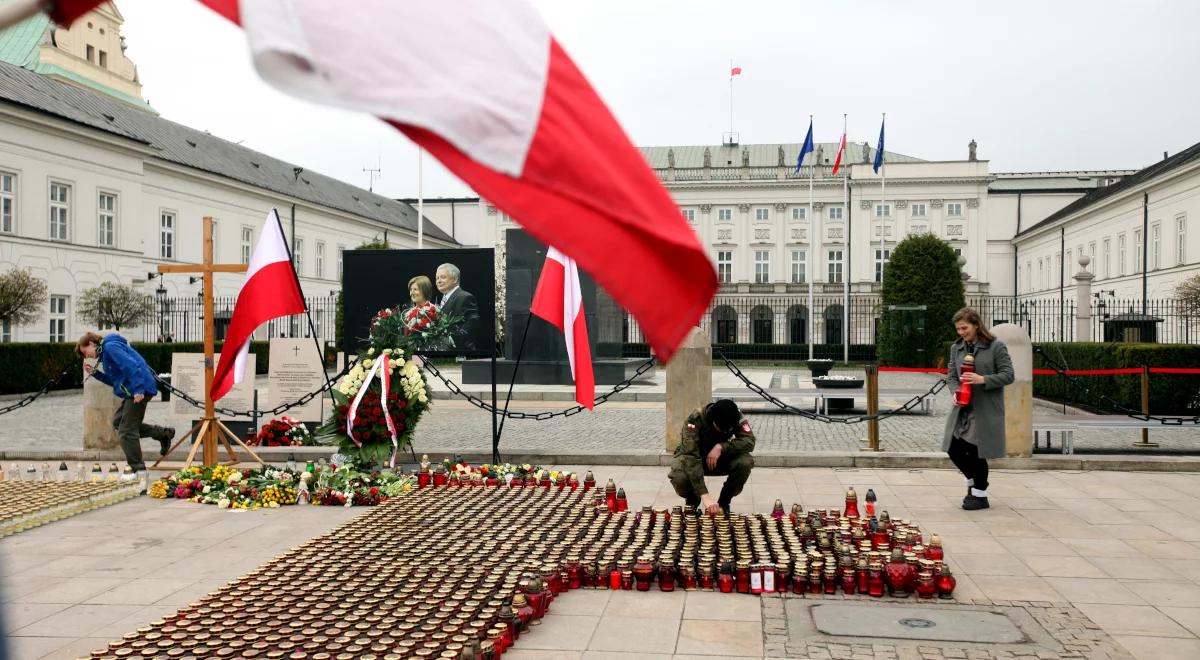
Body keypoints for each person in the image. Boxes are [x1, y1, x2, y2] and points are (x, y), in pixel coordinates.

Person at [77, 332, 175, 481]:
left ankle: (138, 469)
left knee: (126, 431)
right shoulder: (107, 352)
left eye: (85, 352)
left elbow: (131, 366)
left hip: (139, 390)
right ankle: (164, 434)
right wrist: (95, 373)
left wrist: (139, 390)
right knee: (118, 422)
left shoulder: (110, 347)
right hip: (133, 391)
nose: (87, 356)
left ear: (91, 343)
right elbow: (115, 381)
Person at [943, 307, 1014, 511]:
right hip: (962, 407)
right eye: (958, 329)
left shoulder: (995, 347)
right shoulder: (956, 348)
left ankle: (979, 494)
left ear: (976, 324)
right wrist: (956, 392)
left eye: (964, 328)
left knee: (975, 451)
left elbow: (1009, 375)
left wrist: (982, 379)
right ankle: (975, 484)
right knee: (953, 449)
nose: (961, 332)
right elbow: (952, 377)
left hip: (985, 408)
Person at [669, 399, 755, 515]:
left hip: (719, 458)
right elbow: (690, 456)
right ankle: (693, 500)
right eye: (722, 430)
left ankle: (724, 503)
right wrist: (703, 493)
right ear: (712, 420)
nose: (725, 432)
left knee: (745, 462)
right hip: (696, 457)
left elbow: (749, 441)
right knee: (679, 475)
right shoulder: (695, 420)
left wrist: (722, 447)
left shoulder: (734, 415)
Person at [435, 262, 479, 350]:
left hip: (460, 352)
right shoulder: (441, 300)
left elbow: (471, 324)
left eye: (443, 277)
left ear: (455, 279)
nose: (438, 281)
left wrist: (451, 339)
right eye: (437, 278)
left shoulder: (465, 297)